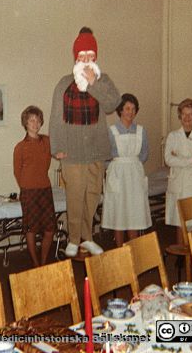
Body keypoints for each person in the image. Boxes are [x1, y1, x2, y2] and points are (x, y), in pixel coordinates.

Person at [49, 27, 120, 257]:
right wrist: (56, 147)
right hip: (72, 151)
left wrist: (93, 84)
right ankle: (73, 238)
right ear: (76, 57)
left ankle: (87, 237)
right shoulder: (64, 83)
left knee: (92, 195)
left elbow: (112, 104)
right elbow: (55, 116)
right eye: (82, 56)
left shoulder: (103, 80)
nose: (87, 60)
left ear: (96, 58)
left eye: (91, 56)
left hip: (96, 150)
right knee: (75, 196)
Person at [101, 93, 152, 246]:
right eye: (127, 108)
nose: (130, 112)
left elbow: (144, 153)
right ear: (120, 110)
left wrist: (132, 165)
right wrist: (115, 168)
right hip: (117, 175)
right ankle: (120, 253)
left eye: (133, 109)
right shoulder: (111, 131)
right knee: (119, 215)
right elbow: (103, 156)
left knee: (134, 214)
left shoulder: (141, 131)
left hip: (135, 175)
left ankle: (133, 252)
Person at [13, 106, 56, 267]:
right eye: (32, 120)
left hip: (45, 190)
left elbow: (57, 152)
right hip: (29, 192)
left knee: (49, 229)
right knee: (31, 229)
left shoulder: (47, 141)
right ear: (26, 123)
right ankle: (36, 264)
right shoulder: (20, 147)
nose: (35, 123)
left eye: (38, 120)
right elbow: (17, 172)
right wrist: (26, 186)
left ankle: (44, 262)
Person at [165, 98, 192, 244]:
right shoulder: (172, 136)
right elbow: (168, 160)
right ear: (180, 116)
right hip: (179, 183)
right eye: (184, 114)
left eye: (190, 114)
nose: (187, 118)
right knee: (180, 221)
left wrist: (179, 158)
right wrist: (191, 160)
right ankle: (181, 256)